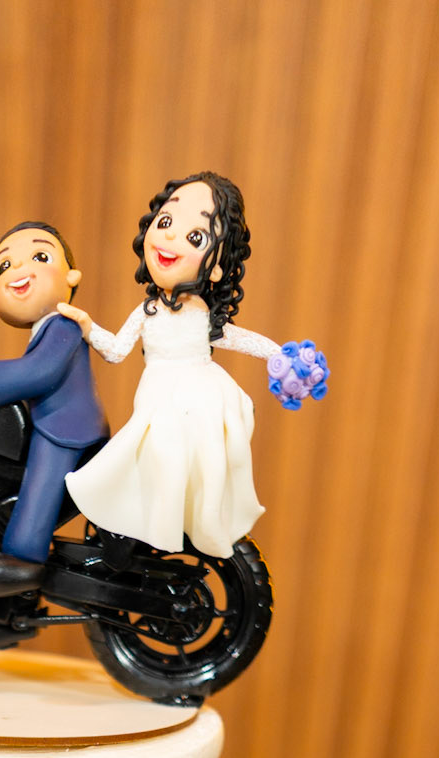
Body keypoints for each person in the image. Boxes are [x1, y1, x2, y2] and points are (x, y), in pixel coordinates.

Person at [56, 172, 322, 562]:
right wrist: (86, 326)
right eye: (165, 221)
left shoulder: (202, 315)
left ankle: (177, 524)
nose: (170, 238)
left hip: (198, 397)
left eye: (195, 237)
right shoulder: (148, 310)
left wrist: (279, 355)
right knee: (151, 457)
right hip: (158, 394)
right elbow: (115, 351)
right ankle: (141, 524)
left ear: (216, 268)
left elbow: (238, 337)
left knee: (188, 460)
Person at [0, 221, 107, 594]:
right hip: (55, 421)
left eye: (40, 256)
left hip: (65, 429)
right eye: (5, 266)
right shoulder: (49, 328)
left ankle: (23, 559)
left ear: (71, 277)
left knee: (41, 485)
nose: (20, 269)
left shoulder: (65, 326)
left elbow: (42, 371)